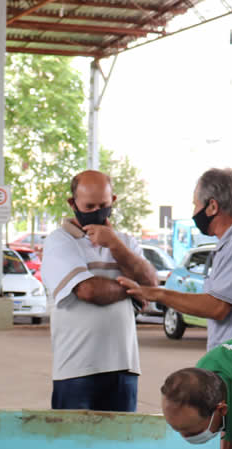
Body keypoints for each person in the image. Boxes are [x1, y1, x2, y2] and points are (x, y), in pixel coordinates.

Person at [123, 167, 232, 350]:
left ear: (212, 207)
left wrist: (157, 293)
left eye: (196, 204)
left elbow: (216, 307)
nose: (194, 212)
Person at [39, 169, 157, 412]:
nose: (96, 212)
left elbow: (150, 283)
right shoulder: (60, 242)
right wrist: (134, 290)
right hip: (76, 370)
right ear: (73, 204)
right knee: (74, 445)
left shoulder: (126, 242)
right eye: (89, 206)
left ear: (113, 201)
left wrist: (114, 243)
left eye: (103, 205)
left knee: (120, 447)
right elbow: (88, 290)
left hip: (124, 369)